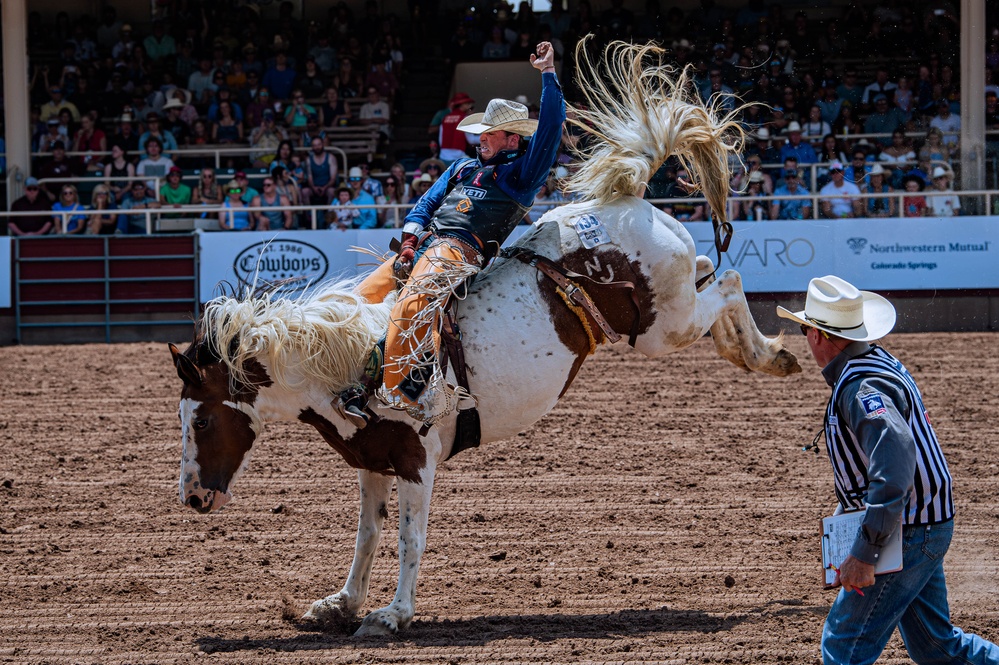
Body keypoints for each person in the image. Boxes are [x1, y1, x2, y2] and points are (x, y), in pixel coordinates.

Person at [776, 275, 999, 665]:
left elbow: (894, 459)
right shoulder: (875, 363)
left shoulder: (859, 384)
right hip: (923, 524)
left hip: (905, 531)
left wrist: (864, 551)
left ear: (816, 335)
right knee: (937, 647)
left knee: (844, 645)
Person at [341, 41, 565, 425]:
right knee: (358, 300)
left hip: (460, 254)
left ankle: (403, 391)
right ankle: (347, 377)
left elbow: (549, 131)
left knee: (411, 305)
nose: (482, 138)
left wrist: (548, 74)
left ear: (513, 139)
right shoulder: (461, 168)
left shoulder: (520, 175)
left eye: (491, 134)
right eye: (483, 132)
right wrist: (410, 243)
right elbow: (423, 206)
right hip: (423, 248)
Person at [302, 137, 338, 205]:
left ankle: (329, 213)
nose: (317, 147)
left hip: (328, 187)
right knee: (304, 192)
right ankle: (309, 215)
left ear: (323, 145)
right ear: (312, 147)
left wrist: (325, 187)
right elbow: (309, 177)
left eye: (319, 144)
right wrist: (313, 188)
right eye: (314, 145)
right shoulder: (308, 160)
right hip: (314, 187)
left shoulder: (331, 158)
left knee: (332, 192)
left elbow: (333, 179)